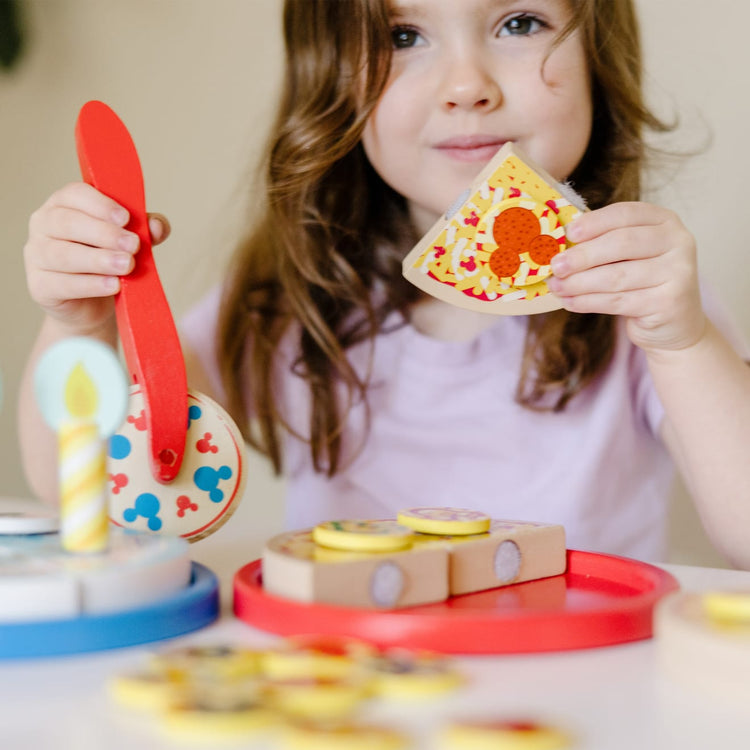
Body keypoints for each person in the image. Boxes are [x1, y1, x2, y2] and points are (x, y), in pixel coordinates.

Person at [19, 0, 750, 565]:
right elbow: (88, 499)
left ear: (600, 57)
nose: (467, 85)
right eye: (403, 36)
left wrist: (683, 344)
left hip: (588, 693)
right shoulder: (288, 294)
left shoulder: (642, 300)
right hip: (349, 688)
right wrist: (81, 326)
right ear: (332, 78)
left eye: (519, 22)